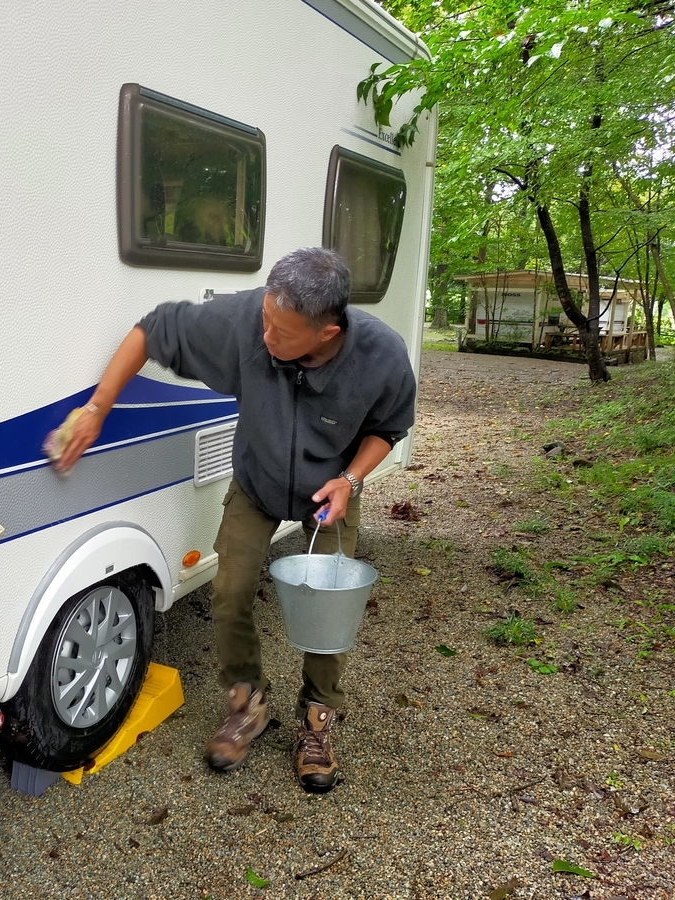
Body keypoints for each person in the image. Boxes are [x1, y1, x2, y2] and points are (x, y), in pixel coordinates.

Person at [53, 247, 416, 792]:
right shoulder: (250, 320)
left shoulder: (382, 356)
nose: (265, 336)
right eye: (265, 319)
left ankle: (317, 719)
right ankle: (248, 702)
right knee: (229, 589)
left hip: (331, 491)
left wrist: (352, 479)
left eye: (281, 331)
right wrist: (97, 410)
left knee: (327, 607)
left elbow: (388, 429)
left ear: (327, 332)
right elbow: (150, 331)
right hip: (258, 482)